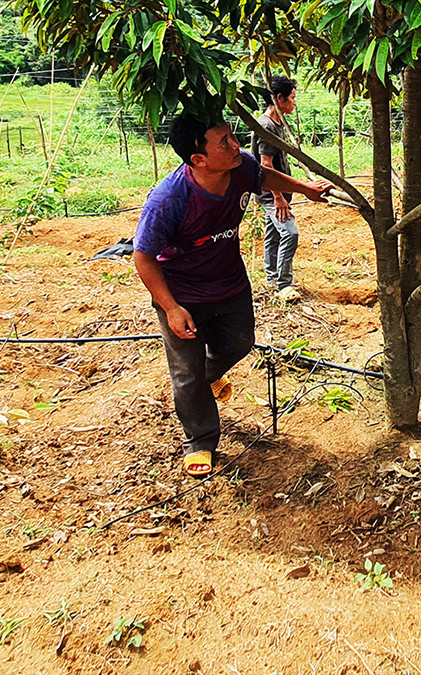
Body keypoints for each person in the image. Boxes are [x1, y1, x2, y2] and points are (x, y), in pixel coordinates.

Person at [134, 112, 333, 476]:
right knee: (186, 371)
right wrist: (171, 308)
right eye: (224, 142)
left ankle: (205, 376)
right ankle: (200, 440)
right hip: (182, 294)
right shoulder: (168, 199)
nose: (236, 145)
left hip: (230, 283)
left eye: (231, 136)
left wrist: (305, 189)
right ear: (198, 159)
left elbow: (263, 176)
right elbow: (143, 258)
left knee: (239, 344)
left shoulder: (241, 167)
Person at [252, 75, 303, 302]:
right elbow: (266, 165)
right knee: (290, 233)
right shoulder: (267, 127)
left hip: (276, 191)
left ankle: (272, 279)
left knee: (273, 234)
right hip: (270, 193)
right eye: (292, 98)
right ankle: (284, 284)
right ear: (279, 98)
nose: (294, 103)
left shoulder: (277, 124)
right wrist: (278, 197)